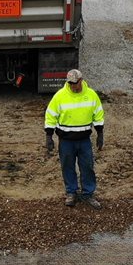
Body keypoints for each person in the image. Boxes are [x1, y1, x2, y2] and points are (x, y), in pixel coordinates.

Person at [44, 68, 104, 208]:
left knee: (87, 167)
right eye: (70, 83)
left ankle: (88, 194)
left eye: (75, 83)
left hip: (84, 140)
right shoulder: (60, 96)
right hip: (66, 141)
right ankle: (71, 193)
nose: (72, 86)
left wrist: (100, 133)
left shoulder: (91, 95)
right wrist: (49, 135)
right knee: (67, 167)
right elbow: (51, 115)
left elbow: (98, 114)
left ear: (81, 81)